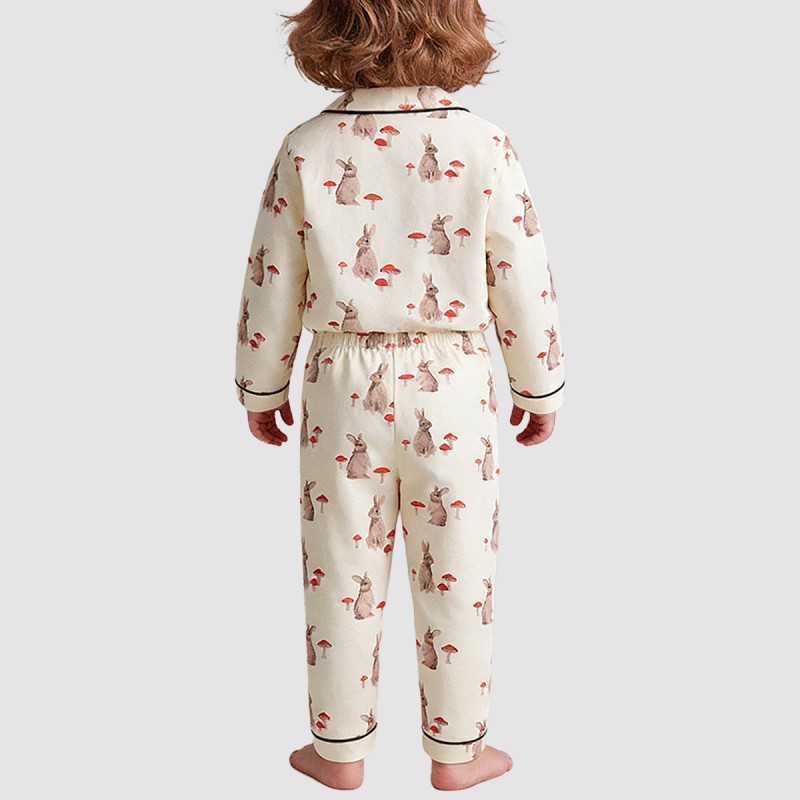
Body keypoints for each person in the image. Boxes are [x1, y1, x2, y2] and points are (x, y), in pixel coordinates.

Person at [234, 0, 565, 790]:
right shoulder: (485, 145)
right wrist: (538, 382)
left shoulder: (307, 147)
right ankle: (459, 754)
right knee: (459, 565)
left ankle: (338, 751)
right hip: (453, 383)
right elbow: (519, 274)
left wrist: (261, 383)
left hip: (341, 382)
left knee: (337, 563)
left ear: (329, 27)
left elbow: (273, 277)